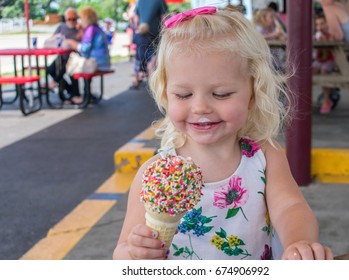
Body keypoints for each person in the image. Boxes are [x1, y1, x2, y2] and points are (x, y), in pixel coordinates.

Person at [112, 7, 333, 260]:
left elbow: (291, 207)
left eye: (221, 94)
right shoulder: (152, 175)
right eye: (183, 95)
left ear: (253, 91)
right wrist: (134, 252)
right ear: (165, 94)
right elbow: (121, 252)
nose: (200, 107)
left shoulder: (264, 158)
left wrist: (299, 242)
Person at [64, 6, 111, 104]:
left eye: (80, 18)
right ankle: (86, 93)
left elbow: (85, 49)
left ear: (85, 18)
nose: (79, 21)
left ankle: (77, 94)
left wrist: (73, 43)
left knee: (71, 67)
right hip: (103, 61)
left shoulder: (91, 29)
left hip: (97, 63)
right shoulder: (95, 28)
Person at [45, 7, 82, 100]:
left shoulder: (80, 28)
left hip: (75, 57)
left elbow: (84, 43)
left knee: (70, 69)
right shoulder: (61, 27)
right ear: (66, 19)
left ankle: (72, 93)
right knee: (51, 69)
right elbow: (51, 39)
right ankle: (69, 90)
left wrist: (81, 30)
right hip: (62, 55)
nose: (72, 21)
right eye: (69, 19)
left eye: (74, 19)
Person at [312, 14, 338, 114]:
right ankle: (306, 99)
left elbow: (332, 48)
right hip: (319, 60)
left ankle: (326, 100)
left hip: (330, 60)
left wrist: (325, 40)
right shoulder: (316, 35)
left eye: (322, 23)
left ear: (327, 23)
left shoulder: (331, 35)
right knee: (307, 72)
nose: (319, 26)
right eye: (317, 24)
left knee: (324, 71)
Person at [134, 0, 168, 74]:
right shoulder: (160, 1)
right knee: (155, 55)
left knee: (140, 55)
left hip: (142, 33)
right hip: (155, 34)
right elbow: (164, 18)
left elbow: (136, 18)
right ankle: (151, 75)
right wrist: (165, 31)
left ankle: (139, 75)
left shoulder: (140, 1)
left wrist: (137, 29)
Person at [131, 23, 153, 89]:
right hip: (146, 57)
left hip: (138, 56)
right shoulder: (149, 37)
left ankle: (136, 82)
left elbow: (133, 41)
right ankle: (150, 84)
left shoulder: (137, 36)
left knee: (136, 70)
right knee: (147, 70)